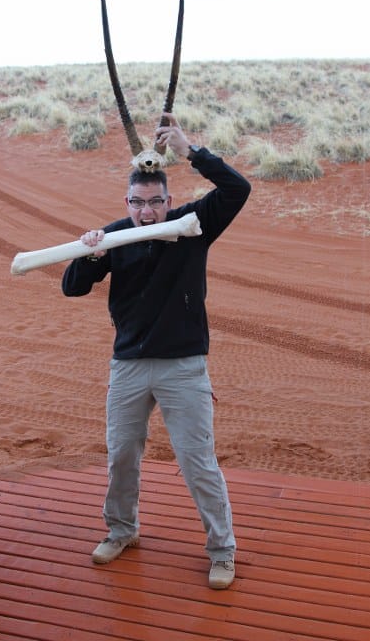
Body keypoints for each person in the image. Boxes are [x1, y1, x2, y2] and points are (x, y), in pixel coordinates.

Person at [62, 113, 251, 589]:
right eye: (138, 203)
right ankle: (121, 530)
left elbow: (237, 189)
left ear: (168, 200)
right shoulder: (115, 236)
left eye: (155, 202)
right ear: (127, 202)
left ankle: (222, 550)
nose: (146, 212)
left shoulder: (193, 225)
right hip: (128, 366)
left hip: (183, 368)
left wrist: (190, 151)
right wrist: (89, 253)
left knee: (197, 461)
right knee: (122, 454)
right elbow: (72, 287)